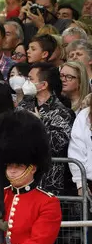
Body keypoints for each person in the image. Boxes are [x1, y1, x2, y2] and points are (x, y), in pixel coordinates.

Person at [0, 110, 61, 244]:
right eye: (9, 165)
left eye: (19, 166)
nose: (12, 170)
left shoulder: (47, 202)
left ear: (32, 168)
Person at [18, 62, 75, 195]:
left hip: (49, 182)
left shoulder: (62, 112)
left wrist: (39, 124)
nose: (27, 82)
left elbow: (56, 145)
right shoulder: (24, 106)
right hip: (22, 177)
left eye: (31, 79)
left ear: (43, 85)